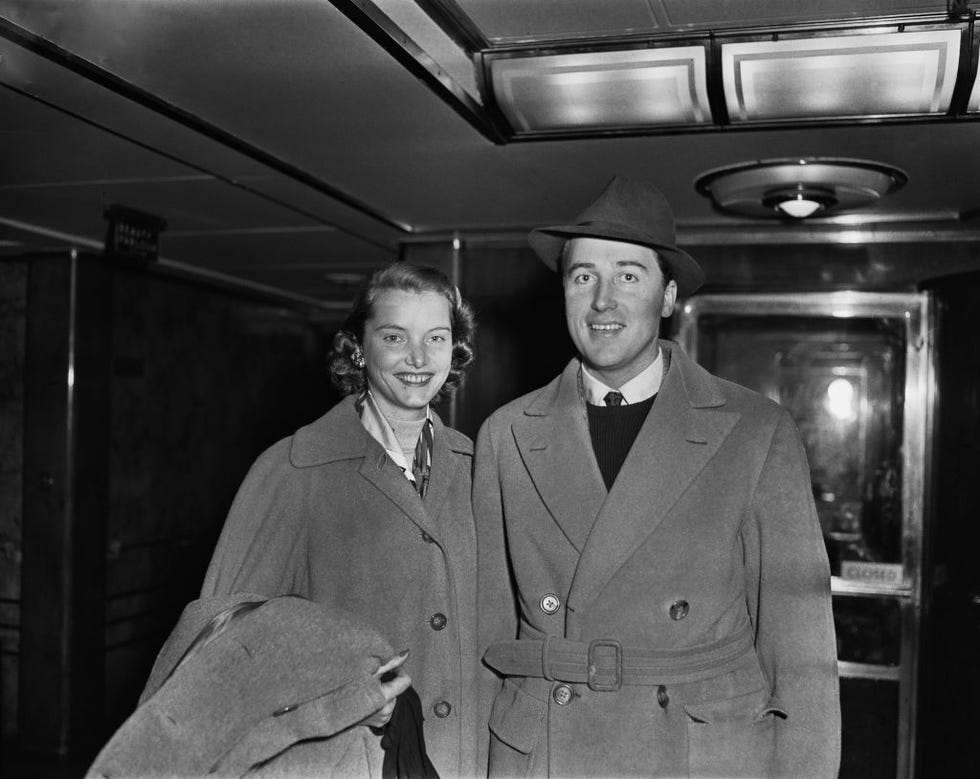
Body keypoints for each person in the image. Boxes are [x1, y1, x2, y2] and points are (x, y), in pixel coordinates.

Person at [474, 176, 841, 778]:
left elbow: (800, 651)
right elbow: (485, 640)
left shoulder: (754, 430)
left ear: (668, 298)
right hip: (547, 749)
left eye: (628, 275)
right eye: (583, 276)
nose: (603, 301)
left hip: (696, 752)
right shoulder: (506, 435)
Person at [201, 262, 480, 778]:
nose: (418, 358)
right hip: (342, 758)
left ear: (454, 350)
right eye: (394, 337)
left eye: (435, 338)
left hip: (461, 759)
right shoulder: (292, 468)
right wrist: (334, 695)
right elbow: (226, 640)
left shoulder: (478, 467)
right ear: (358, 346)